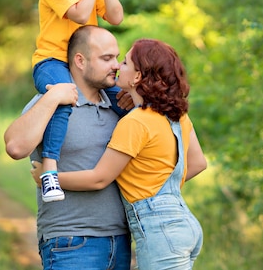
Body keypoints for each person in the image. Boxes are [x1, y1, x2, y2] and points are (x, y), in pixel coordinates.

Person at [32, 38, 208, 270]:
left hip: (160, 230)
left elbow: (99, 178)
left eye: (124, 62)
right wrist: (156, 187)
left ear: (137, 77)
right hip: (184, 222)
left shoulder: (135, 122)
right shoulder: (177, 116)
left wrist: (48, 177)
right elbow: (197, 163)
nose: (117, 66)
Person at [5, 26, 132, 270]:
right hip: (70, 242)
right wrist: (53, 97)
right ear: (80, 61)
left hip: (121, 240)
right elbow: (15, 147)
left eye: (117, 57)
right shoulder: (49, 103)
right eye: (106, 58)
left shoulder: (118, 105)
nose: (116, 65)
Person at [31, 0, 125, 202]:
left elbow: (116, 17)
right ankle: (50, 171)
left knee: (123, 99)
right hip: (53, 60)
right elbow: (82, 15)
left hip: (87, 66)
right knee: (63, 95)